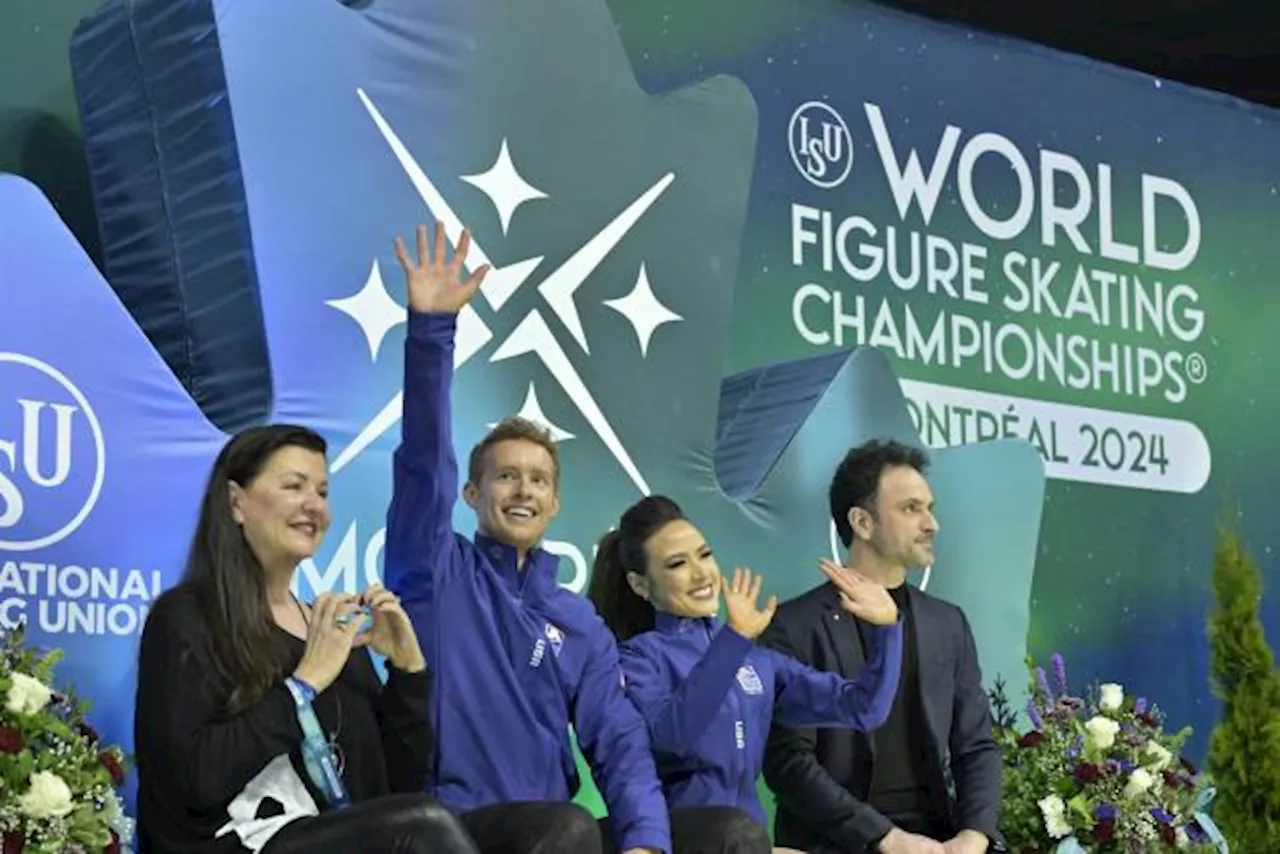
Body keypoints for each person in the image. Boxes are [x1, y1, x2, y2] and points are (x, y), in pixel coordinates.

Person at [383, 223, 670, 854]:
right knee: (565, 827)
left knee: (728, 834)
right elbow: (423, 464)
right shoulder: (438, 572)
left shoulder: (578, 622)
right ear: (472, 495)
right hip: (445, 828)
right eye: (506, 476)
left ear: (555, 502)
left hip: (545, 832)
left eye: (538, 480)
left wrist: (647, 840)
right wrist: (432, 332)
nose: (522, 491)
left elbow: (617, 738)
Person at [134, 424, 480, 854]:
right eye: (294, 486)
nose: (313, 505)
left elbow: (395, 788)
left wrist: (409, 674)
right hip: (235, 843)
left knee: (558, 827)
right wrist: (303, 685)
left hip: (338, 835)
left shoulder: (328, 627)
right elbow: (190, 781)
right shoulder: (185, 618)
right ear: (236, 502)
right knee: (425, 827)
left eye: (322, 491)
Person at [588, 495, 905, 854]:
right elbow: (673, 737)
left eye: (704, 555)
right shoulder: (637, 658)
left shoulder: (756, 661)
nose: (700, 573)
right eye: (677, 564)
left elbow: (864, 708)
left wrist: (887, 629)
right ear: (641, 585)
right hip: (680, 840)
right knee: (733, 832)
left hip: (746, 841)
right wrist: (733, 640)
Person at [761, 439, 1006, 854]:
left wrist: (974, 834)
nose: (932, 524)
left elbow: (976, 745)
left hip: (940, 836)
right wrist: (884, 839)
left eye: (930, 508)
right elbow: (789, 764)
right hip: (837, 841)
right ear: (862, 522)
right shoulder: (793, 626)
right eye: (911, 509)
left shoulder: (947, 623)